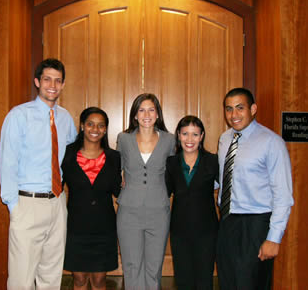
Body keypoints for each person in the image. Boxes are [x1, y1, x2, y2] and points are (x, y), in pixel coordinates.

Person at [0, 58, 77, 290]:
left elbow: (73, 155)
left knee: (51, 276)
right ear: (37, 82)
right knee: (21, 279)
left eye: (58, 80)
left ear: (63, 85)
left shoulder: (65, 119)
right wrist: (15, 207)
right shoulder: (18, 116)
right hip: (27, 203)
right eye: (47, 79)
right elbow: (7, 163)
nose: (52, 85)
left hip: (57, 204)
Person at [216, 88, 294, 290]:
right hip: (227, 222)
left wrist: (273, 238)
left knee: (250, 284)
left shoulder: (272, 142)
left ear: (253, 109)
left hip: (256, 224)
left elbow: (283, 195)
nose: (234, 115)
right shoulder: (225, 139)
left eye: (240, 108)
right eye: (229, 109)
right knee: (228, 282)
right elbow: (224, 178)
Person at [116, 93, 175, 290]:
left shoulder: (169, 140)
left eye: (151, 109)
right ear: (135, 115)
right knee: (132, 266)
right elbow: (118, 169)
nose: (146, 114)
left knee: (154, 266)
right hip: (129, 211)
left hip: (158, 211)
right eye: (141, 110)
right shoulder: (123, 139)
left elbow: (175, 171)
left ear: (158, 114)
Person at [61, 107, 121, 290]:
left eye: (101, 125)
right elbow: (57, 185)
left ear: (105, 130)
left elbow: (118, 190)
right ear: (82, 126)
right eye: (90, 124)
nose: (95, 129)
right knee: (79, 280)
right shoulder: (68, 154)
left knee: (99, 281)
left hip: (104, 228)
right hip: (76, 228)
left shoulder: (114, 157)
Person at [165, 116, 219, 290]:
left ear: (202, 136)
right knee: (183, 279)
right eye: (185, 134)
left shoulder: (213, 161)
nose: (189, 139)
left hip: (207, 231)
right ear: (178, 135)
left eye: (195, 134)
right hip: (179, 231)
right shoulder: (171, 163)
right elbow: (164, 192)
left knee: (204, 279)